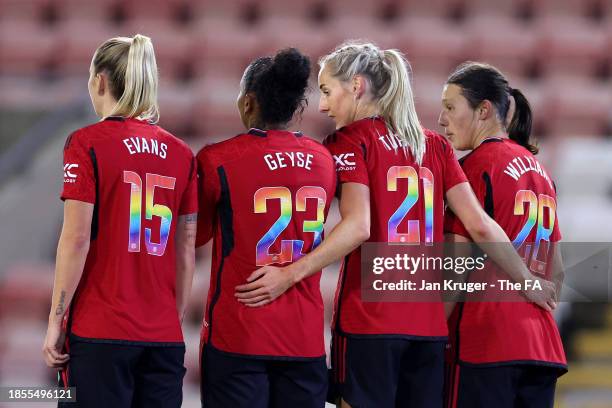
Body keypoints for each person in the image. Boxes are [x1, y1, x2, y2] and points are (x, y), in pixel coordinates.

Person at [237, 41, 557, 408]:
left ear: (356, 87)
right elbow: (481, 225)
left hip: (370, 321)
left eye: (327, 91)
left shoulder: (348, 141)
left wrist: (292, 272)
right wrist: (527, 281)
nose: (323, 105)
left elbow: (358, 227)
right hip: (428, 327)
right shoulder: (435, 146)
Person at [42, 34, 197, 408]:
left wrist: (55, 321)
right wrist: (170, 318)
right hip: (162, 338)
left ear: (100, 81)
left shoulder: (85, 143)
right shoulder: (182, 153)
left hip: (101, 332)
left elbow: (76, 239)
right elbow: (186, 247)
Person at [196, 48, 336, 408]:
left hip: (238, 335)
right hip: (304, 339)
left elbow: (197, 236)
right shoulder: (324, 161)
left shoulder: (217, 159)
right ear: (295, 106)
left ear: (248, 102)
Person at [440, 62, 567, 408]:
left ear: (483, 110)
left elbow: (457, 268)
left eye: (450, 107)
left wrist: (433, 334)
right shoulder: (541, 171)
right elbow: (556, 271)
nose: (441, 120)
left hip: (484, 344)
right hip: (541, 346)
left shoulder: (473, 169)